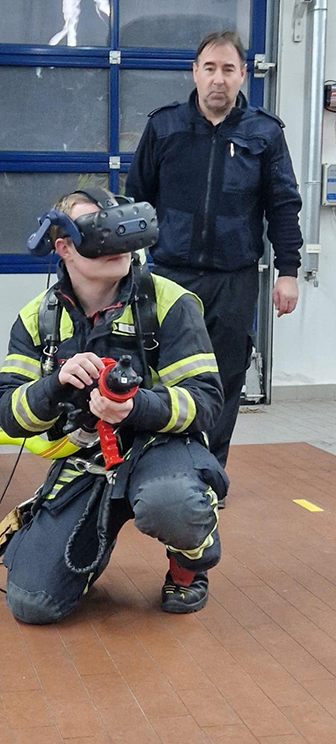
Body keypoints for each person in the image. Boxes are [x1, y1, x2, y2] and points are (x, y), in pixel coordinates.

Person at [0, 190, 228, 624]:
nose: (115, 243)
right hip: (86, 460)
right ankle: (78, 554)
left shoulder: (169, 303)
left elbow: (206, 400)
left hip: (161, 451)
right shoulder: (37, 319)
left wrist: (137, 407)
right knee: (32, 604)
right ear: (63, 246)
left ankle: (189, 558)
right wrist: (55, 384)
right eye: (96, 229)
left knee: (169, 501)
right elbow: (8, 413)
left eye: (119, 226)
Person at [124, 30, 303, 479]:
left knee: (224, 379)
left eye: (228, 69)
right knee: (159, 372)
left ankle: (206, 471)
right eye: (209, 68)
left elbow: (283, 205)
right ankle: (156, 464)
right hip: (169, 277)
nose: (218, 79)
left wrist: (288, 271)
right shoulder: (164, 126)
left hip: (234, 279)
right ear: (195, 73)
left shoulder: (264, 133)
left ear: (243, 75)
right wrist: (126, 267)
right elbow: (137, 201)